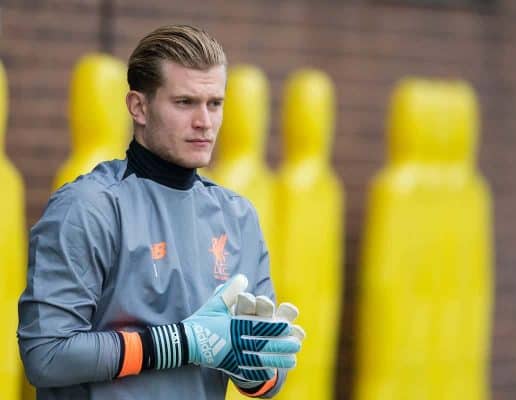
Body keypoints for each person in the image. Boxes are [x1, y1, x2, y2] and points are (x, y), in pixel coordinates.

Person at [18, 25, 304, 400]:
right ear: (138, 107)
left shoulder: (237, 218)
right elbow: (47, 355)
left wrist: (252, 364)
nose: (205, 121)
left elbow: (269, 383)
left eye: (215, 103)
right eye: (185, 102)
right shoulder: (88, 207)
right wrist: (181, 343)